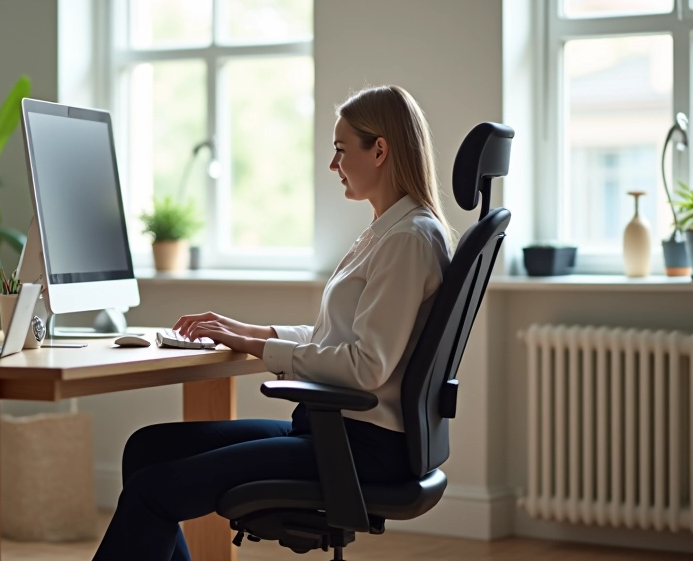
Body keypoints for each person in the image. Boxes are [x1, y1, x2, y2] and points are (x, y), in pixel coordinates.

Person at [92, 85, 453, 561]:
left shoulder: (406, 240)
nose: (333, 164)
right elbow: (335, 337)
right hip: (334, 432)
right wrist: (248, 333)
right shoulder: (388, 231)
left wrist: (265, 351)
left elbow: (366, 366)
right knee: (146, 449)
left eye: (341, 149)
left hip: (360, 447)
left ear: (379, 150)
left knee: (151, 492)